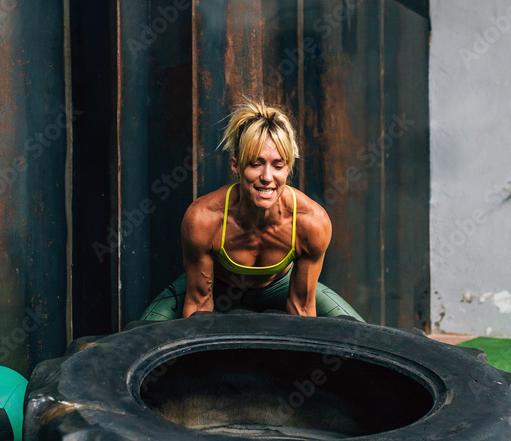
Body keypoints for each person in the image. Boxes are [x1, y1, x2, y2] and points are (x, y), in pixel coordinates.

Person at [140, 98, 364, 321]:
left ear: (288, 169)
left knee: (358, 337)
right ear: (236, 165)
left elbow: (302, 308)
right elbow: (199, 305)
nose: (267, 178)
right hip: (218, 286)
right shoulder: (203, 218)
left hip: (279, 287)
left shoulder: (312, 222)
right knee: (142, 336)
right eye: (255, 164)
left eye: (277, 166)